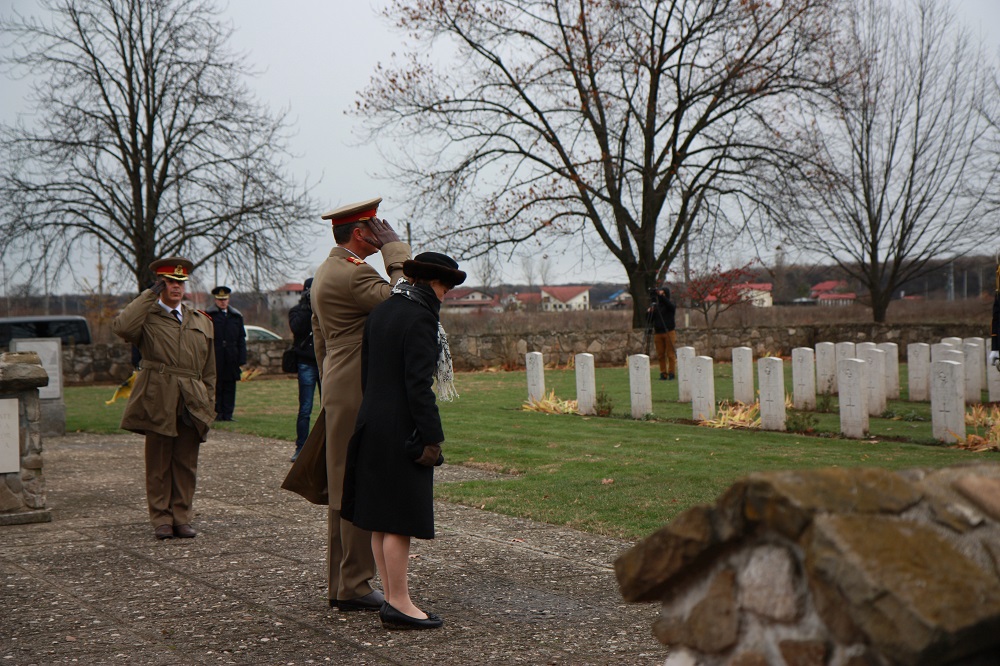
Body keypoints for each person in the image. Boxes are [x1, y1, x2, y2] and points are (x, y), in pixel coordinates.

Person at [284, 196, 410, 612]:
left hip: (341, 379)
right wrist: (397, 250)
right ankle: (355, 584)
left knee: (344, 484)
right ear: (360, 233)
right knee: (360, 483)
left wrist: (330, 387)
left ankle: (344, 583)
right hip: (358, 382)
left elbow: (319, 342)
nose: (382, 233)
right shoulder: (355, 275)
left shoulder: (326, 271)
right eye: (377, 229)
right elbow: (405, 302)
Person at [342, 252, 465, 631]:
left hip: (373, 422)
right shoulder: (420, 318)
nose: (447, 294)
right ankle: (399, 602)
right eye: (446, 286)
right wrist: (432, 438)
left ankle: (394, 598)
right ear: (431, 282)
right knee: (397, 521)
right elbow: (418, 386)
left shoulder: (383, 311)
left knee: (381, 519)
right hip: (401, 430)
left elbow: (367, 373)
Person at [112, 257, 216, 540]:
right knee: (158, 461)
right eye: (170, 282)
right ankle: (161, 518)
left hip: (191, 398)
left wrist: (209, 404)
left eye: (180, 283)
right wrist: (149, 294)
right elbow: (121, 327)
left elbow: (209, 370)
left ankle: (182, 517)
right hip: (158, 395)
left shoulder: (201, 321)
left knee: (186, 462)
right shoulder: (146, 318)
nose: (176, 288)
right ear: (160, 284)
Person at [288, 277, 319, 462]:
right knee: (305, 408)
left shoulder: (324, 308)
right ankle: (301, 447)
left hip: (323, 362)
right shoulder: (297, 311)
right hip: (306, 363)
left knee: (328, 408)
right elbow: (296, 329)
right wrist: (308, 308)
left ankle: (327, 445)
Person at [207, 286, 247, 421]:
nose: (222, 302)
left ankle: (228, 413)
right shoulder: (209, 316)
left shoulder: (236, 316)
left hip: (231, 356)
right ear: (215, 300)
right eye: (220, 300)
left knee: (230, 386)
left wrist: (242, 358)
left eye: (225, 299)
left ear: (228, 299)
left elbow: (241, 338)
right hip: (215, 356)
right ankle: (217, 413)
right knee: (216, 386)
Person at [648, 285, 677, 380]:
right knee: (660, 355)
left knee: (670, 354)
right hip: (658, 333)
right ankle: (663, 373)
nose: (661, 295)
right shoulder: (656, 307)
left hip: (669, 331)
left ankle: (671, 372)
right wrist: (649, 312)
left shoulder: (670, 305)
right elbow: (650, 319)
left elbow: (669, 304)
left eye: (663, 293)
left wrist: (661, 296)